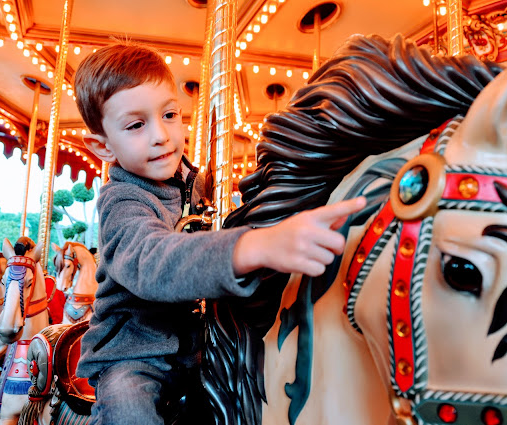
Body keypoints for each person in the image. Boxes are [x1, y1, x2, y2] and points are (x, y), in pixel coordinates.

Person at [74, 41, 366, 425]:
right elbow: (152, 261)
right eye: (136, 125)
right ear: (102, 146)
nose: (161, 135)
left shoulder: (197, 186)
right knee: (131, 414)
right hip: (136, 356)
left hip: (202, 346)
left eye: (170, 115)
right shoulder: (123, 201)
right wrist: (254, 246)